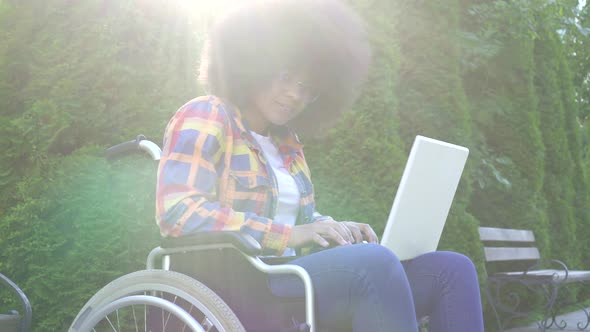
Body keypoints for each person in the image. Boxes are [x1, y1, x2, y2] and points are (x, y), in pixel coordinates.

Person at [155, 0, 485, 331]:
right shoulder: (206, 114)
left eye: (307, 88)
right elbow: (179, 212)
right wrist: (290, 235)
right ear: (252, 64)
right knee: (375, 263)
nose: (295, 95)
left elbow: (302, 221)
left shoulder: (287, 144)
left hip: (293, 279)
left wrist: (335, 228)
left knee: (450, 269)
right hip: (243, 284)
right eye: (285, 77)